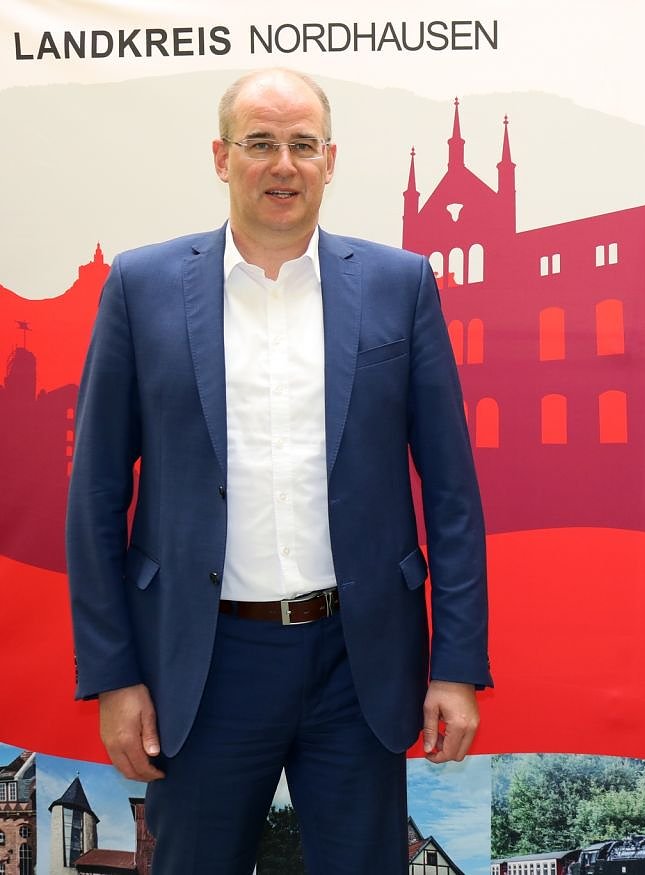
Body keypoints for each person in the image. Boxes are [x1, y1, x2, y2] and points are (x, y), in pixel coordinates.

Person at [65, 68, 491, 874]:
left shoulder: (400, 284)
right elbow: (94, 497)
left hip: (359, 662)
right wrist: (114, 675)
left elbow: (452, 496)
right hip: (203, 663)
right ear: (221, 156)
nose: (282, 165)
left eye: (302, 144)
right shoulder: (140, 287)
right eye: (260, 143)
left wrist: (458, 664)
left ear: (331, 158)